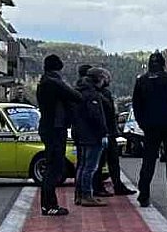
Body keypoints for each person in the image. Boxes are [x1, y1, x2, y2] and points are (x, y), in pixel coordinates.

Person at [133, 51, 167, 208]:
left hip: (150, 126)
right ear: (163, 64)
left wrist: (143, 124)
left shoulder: (142, 81)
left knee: (148, 161)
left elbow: (137, 105)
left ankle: (144, 195)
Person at [36, 54, 82, 216]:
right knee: (55, 167)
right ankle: (49, 205)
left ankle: (48, 204)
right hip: (56, 128)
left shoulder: (43, 82)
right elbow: (76, 96)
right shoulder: (54, 83)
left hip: (48, 127)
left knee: (53, 165)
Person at [91, 68, 135, 197]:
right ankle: (98, 186)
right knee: (100, 161)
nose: (108, 80)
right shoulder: (98, 93)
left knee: (112, 160)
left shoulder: (103, 93)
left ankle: (117, 185)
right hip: (104, 132)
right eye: (106, 77)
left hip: (108, 131)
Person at [72, 64, 111, 207]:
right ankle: (87, 195)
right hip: (92, 135)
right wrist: (103, 132)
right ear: (98, 79)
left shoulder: (79, 91)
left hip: (80, 133)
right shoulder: (92, 94)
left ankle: (79, 194)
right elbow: (95, 116)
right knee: (90, 167)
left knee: (82, 166)